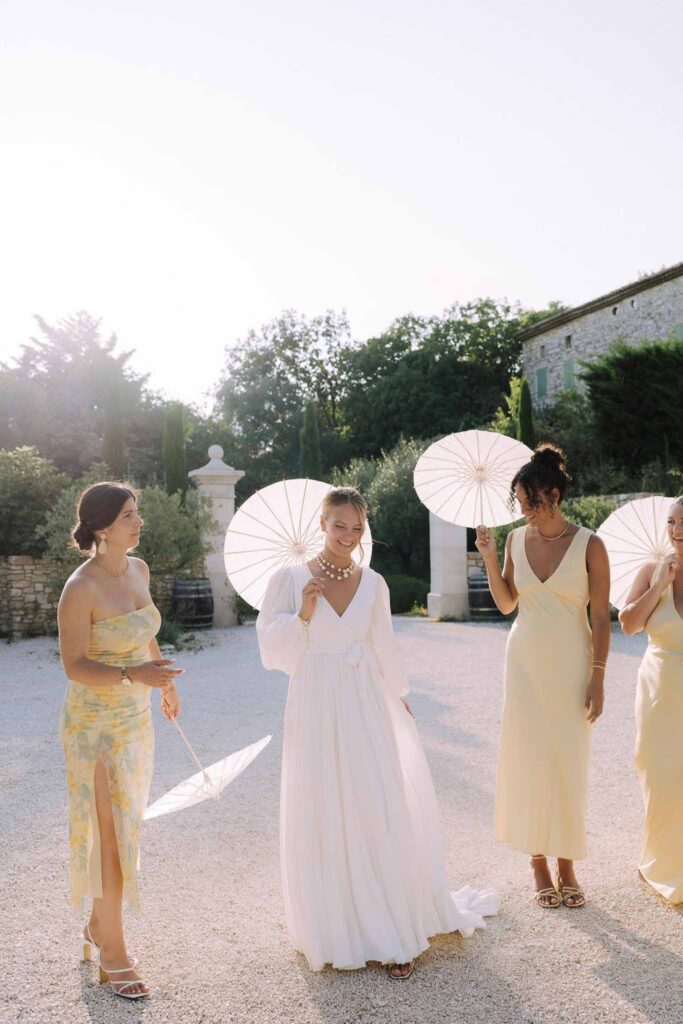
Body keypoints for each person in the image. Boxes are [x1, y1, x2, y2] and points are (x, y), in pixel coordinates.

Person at [256, 486, 498, 978]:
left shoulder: (375, 582)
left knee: (375, 800)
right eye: (339, 525)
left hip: (365, 699)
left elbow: (382, 643)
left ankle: (391, 926)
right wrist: (303, 613)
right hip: (315, 700)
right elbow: (271, 652)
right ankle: (336, 927)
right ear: (321, 524)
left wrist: (398, 694)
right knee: (325, 805)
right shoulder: (290, 579)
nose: (348, 535)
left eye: (356, 528)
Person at [58, 482, 183, 1000]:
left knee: (128, 829)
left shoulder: (139, 569)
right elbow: (74, 665)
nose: (139, 523)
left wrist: (165, 682)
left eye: (138, 514)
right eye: (130, 516)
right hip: (94, 726)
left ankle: (98, 924)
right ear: (103, 526)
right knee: (108, 835)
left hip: (137, 719)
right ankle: (114, 953)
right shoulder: (79, 587)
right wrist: (135, 676)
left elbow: (143, 633)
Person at [475, 445, 610, 909]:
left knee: (567, 760)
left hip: (573, 662)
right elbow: (508, 603)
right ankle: (537, 861)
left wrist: (599, 676)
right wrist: (491, 557)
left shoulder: (591, 544)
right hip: (525, 663)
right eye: (520, 504)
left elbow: (600, 618)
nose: (525, 512)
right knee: (529, 757)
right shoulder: (514, 540)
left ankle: (567, 862)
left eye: (530, 502)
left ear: (553, 495)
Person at [618, 496, 683, 904]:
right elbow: (627, 623)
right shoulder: (650, 571)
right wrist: (659, 584)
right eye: (672, 522)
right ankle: (664, 862)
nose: (677, 530)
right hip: (661, 689)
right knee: (661, 775)